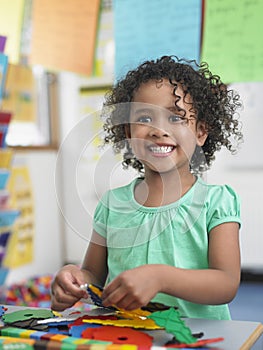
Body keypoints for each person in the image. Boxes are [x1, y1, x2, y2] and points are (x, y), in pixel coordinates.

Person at [51, 55, 243, 320]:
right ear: (128, 132)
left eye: (176, 118)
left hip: (197, 340)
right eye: (144, 117)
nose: (158, 130)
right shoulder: (112, 204)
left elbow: (226, 284)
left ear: (200, 132)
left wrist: (161, 277)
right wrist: (74, 278)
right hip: (125, 338)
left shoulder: (217, 201)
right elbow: (93, 275)